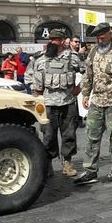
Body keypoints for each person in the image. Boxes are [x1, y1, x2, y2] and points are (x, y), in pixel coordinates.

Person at [74, 23, 112, 185]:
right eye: (97, 36)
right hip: (97, 101)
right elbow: (88, 74)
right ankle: (90, 171)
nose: (100, 39)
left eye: (102, 35)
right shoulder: (93, 51)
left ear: (109, 33)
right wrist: (85, 94)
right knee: (92, 136)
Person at [33, 29, 84, 177]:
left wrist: (79, 88)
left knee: (69, 136)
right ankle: (48, 164)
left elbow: (88, 73)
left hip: (67, 103)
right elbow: (35, 83)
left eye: (56, 39)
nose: (52, 42)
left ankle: (67, 163)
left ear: (63, 41)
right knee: (48, 136)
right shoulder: (41, 58)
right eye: (51, 39)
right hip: (48, 105)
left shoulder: (73, 58)